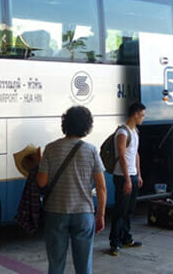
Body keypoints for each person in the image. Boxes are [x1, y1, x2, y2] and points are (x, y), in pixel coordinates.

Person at [36, 106, 107, 274]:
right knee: (83, 266)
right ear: (87, 126)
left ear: (65, 124)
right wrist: (101, 214)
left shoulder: (51, 148)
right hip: (83, 213)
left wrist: (37, 165)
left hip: (56, 211)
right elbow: (101, 187)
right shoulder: (91, 151)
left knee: (56, 263)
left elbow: (41, 182)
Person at [108, 102, 145, 256]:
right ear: (135, 114)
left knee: (129, 210)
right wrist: (128, 179)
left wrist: (138, 174)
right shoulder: (122, 133)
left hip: (133, 175)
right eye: (142, 115)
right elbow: (122, 157)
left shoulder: (134, 131)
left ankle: (126, 238)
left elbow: (135, 154)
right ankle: (114, 242)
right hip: (123, 177)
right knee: (120, 210)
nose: (143, 118)